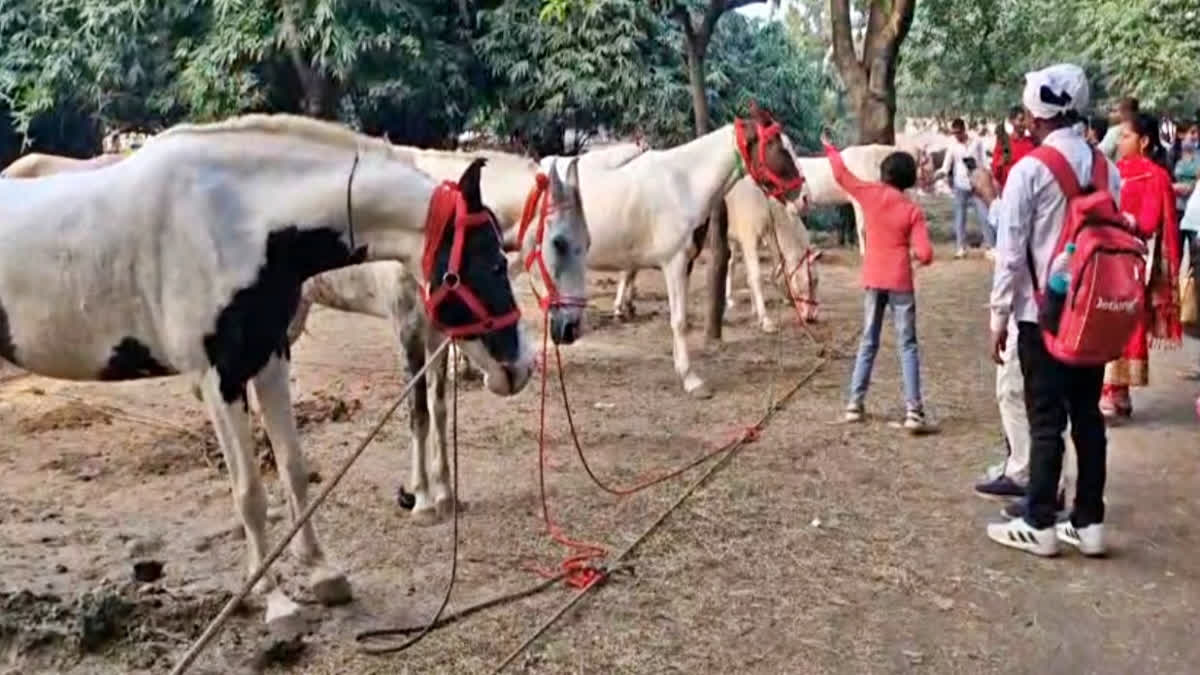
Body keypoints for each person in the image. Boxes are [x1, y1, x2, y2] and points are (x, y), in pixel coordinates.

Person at [987, 63, 1123, 557]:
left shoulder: (1029, 170)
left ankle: (1040, 522)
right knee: (1087, 415)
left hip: (1040, 316)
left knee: (1045, 419)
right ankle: (1089, 523)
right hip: (1094, 314)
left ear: (1038, 112)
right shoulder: (1108, 168)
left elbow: (1011, 251)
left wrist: (998, 315)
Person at [825, 134, 934, 431]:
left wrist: (831, 149)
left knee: (868, 340)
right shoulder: (912, 211)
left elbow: (841, 175)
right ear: (909, 179)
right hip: (900, 281)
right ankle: (913, 410)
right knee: (907, 343)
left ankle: (854, 404)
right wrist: (913, 257)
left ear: (884, 174)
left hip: (873, 278)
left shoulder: (869, 194)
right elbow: (925, 253)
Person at [1099, 114, 1183, 418]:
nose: (1120, 143)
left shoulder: (1155, 177)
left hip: (1135, 258)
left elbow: (1150, 222)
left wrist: (1122, 221)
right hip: (1109, 255)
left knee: (1125, 319)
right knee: (1107, 315)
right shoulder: (1112, 171)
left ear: (1144, 141)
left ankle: (1114, 389)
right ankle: (1116, 391)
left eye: (1125, 137)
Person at [937, 118, 991, 258]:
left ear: (964, 130)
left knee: (984, 214)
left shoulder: (976, 142)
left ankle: (990, 245)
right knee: (960, 217)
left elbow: (984, 161)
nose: (957, 136)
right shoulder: (952, 145)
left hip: (976, 183)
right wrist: (940, 174)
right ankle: (961, 247)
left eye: (959, 133)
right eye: (954, 133)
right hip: (960, 184)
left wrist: (986, 175)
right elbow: (946, 165)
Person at [991, 106, 1037, 191]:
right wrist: (1002, 161)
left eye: (1025, 120)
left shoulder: (1033, 141)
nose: (1024, 123)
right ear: (1011, 121)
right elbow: (995, 171)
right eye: (1021, 120)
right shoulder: (1004, 143)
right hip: (1011, 191)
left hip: (1030, 190)